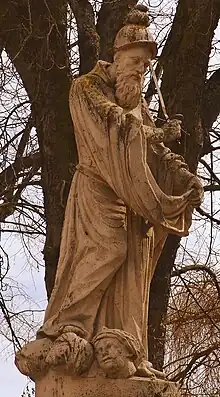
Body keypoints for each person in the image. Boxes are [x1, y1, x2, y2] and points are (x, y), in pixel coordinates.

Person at [36, 5, 203, 376]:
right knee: (110, 249)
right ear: (119, 55)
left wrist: (183, 176)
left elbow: (156, 152)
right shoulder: (86, 88)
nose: (141, 70)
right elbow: (115, 127)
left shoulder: (137, 102)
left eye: (146, 66)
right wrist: (156, 132)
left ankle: (127, 347)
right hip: (97, 189)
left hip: (132, 200)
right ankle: (68, 325)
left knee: (135, 266)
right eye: (137, 61)